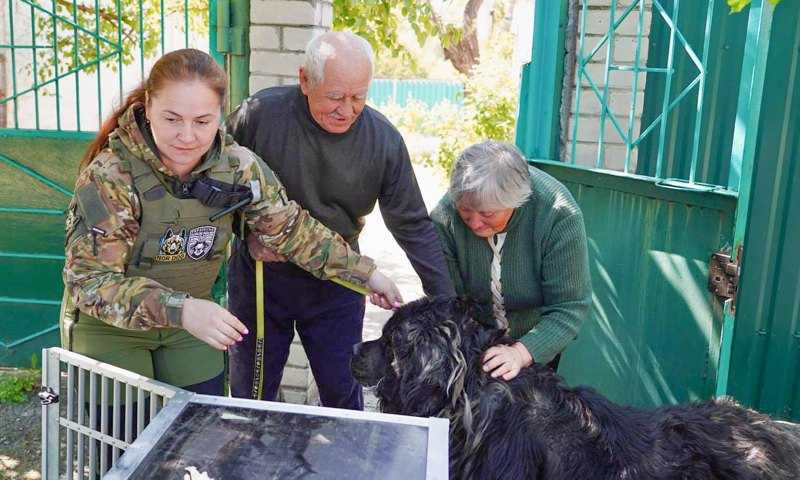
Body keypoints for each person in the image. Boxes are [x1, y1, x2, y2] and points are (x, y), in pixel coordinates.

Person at [60, 48, 402, 397]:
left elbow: (293, 230)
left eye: (203, 121)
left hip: (190, 327)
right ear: (148, 108)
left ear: (220, 116)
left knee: (199, 434)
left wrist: (367, 274)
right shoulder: (111, 175)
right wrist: (181, 309)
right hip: (115, 327)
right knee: (125, 442)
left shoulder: (237, 167)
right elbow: (89, 282)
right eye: (172, 119)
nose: (188, 136)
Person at [226, 31, 455, 409]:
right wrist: (245, 233)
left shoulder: (383, 140)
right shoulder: (259, 116)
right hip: (263, 277)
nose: (346, 110)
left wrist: (446, 301)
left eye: (358, 97)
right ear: (304, 80)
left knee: (343, 390)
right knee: (253, 392)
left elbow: (412, 224)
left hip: (338, 279)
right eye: (335, 97)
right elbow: (217, 185)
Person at [431, 140, 592, 381]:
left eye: (487, 214)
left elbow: (569, 307)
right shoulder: (445, 216)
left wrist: (521, 353)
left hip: (536, 342)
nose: (475, 223)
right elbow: (449, 301)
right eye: (466, 211)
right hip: (474, 340)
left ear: (517, 202)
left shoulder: (558, 214)